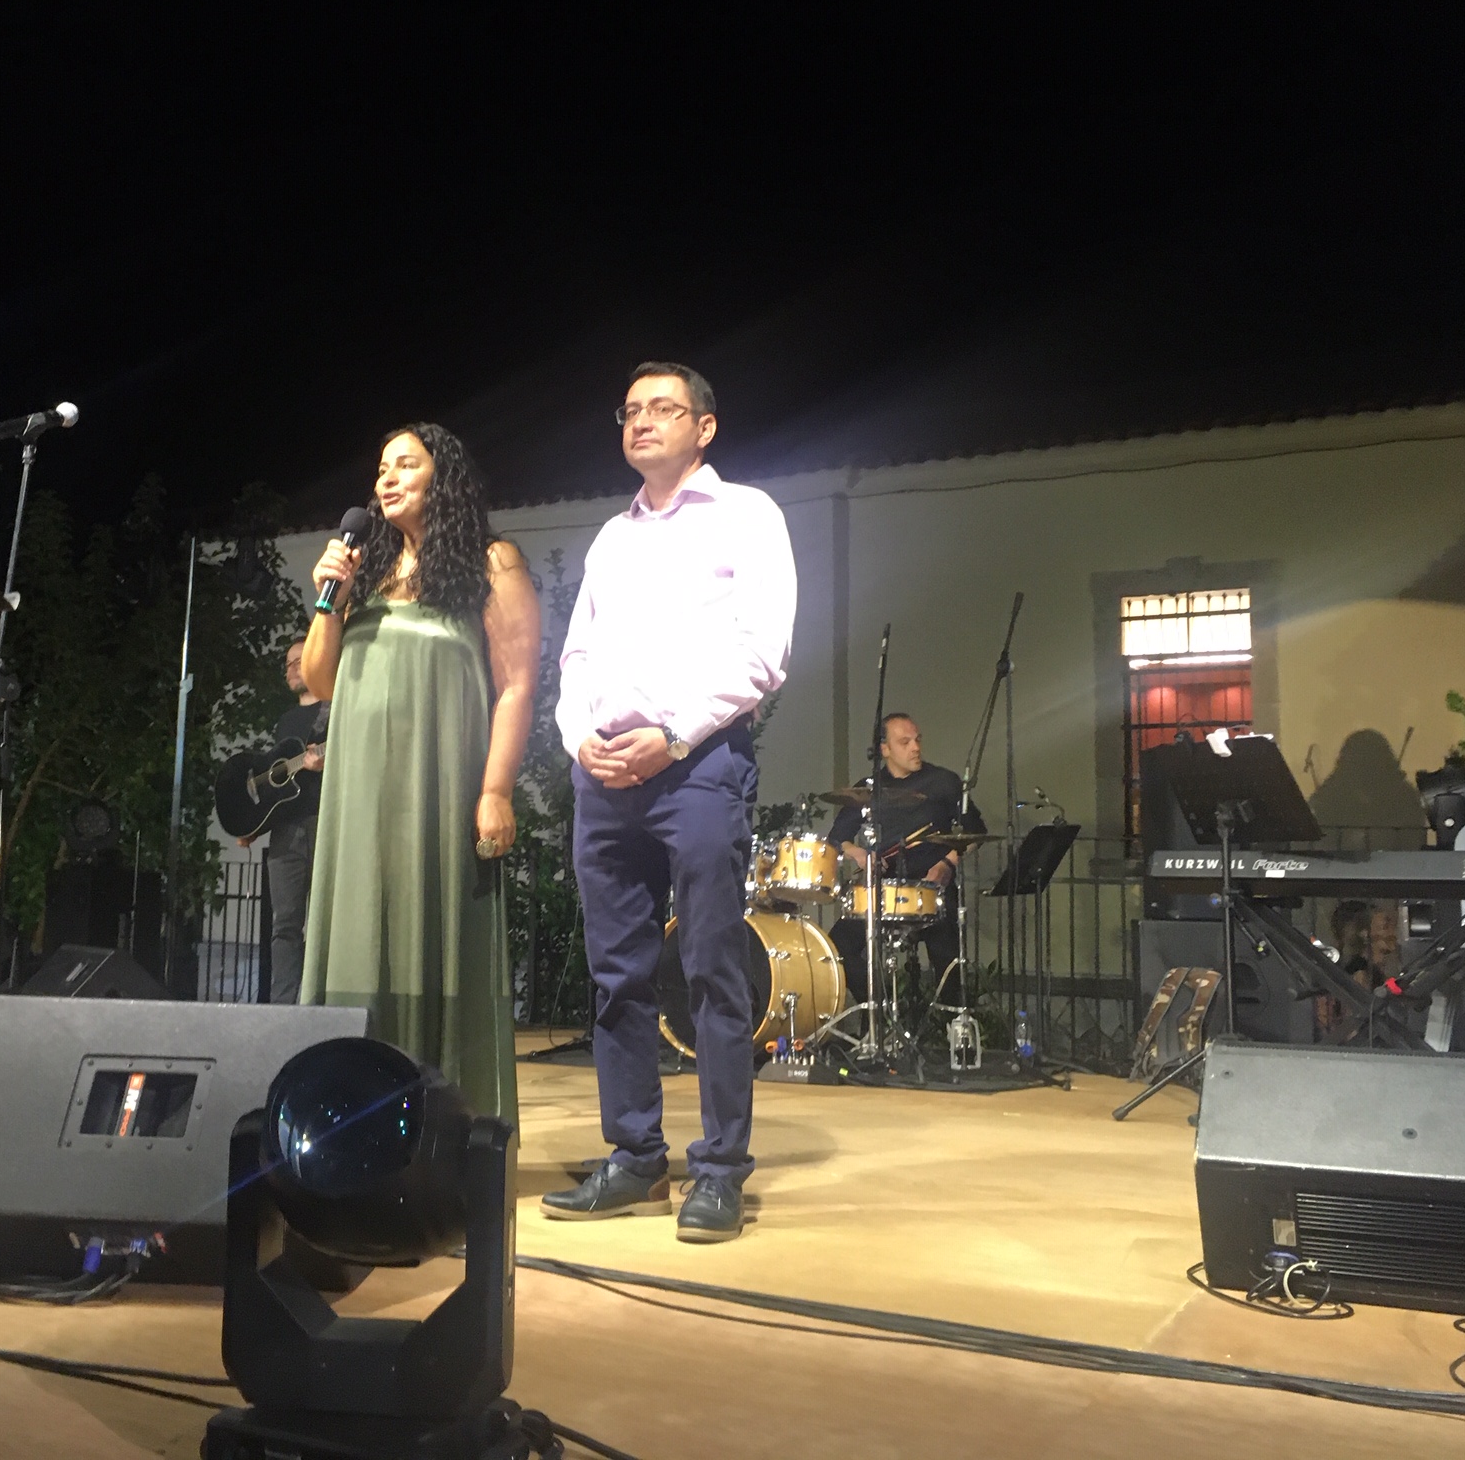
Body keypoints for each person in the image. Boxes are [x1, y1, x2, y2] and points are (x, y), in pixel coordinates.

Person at [540, 361, 796, 1244]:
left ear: (704, 426)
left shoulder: (747, 515)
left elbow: (763, 652)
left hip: (697, 766)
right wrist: (577, 737)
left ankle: (719, 1171)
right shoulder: (612, 538)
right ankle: (635, 1157)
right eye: (631, 411)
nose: (642, 421)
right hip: (605, 773)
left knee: (712, 971)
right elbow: (576, 657)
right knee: (616, 975)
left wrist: (675, 736)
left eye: (663, 408)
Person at [299, 422, 540, 1122]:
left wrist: (495, 789)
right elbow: (320, 682)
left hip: (440, 785)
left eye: (406, 463)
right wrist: (330, 600)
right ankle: (343, 1115)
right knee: (355, 936)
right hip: (359, 792)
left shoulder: (491, 562)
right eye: (381, 467)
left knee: (434, 935)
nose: (387, 477)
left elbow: (517, 685)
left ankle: (442, 1127)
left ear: (445, 477)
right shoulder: (364, 571)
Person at [827, 712, 985, 1013]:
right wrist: (859, 853)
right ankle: (881, 1010)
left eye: (917, 740)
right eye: (905, 742)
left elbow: (976, 830)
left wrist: (948, 862)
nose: (915, 748)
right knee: (837, 947)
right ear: (884, 749)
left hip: (933, 889)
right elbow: (837, 838)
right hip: (883, 892)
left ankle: (950, 1027)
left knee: (949, 966)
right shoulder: (868, 789)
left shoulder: (943, 782)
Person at [237, 642, 329, 1004]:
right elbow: (280, 787)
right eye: (287, 663)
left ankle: (324, 1002)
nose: (290, 669)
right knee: (285, 924)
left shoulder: (337, 710)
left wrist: (327, 763)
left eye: (298, 662)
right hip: (286, 831)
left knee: (326, 921)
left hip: (324, 824)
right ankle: (284, 1004)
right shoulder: (287, 721)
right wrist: (254, 825)